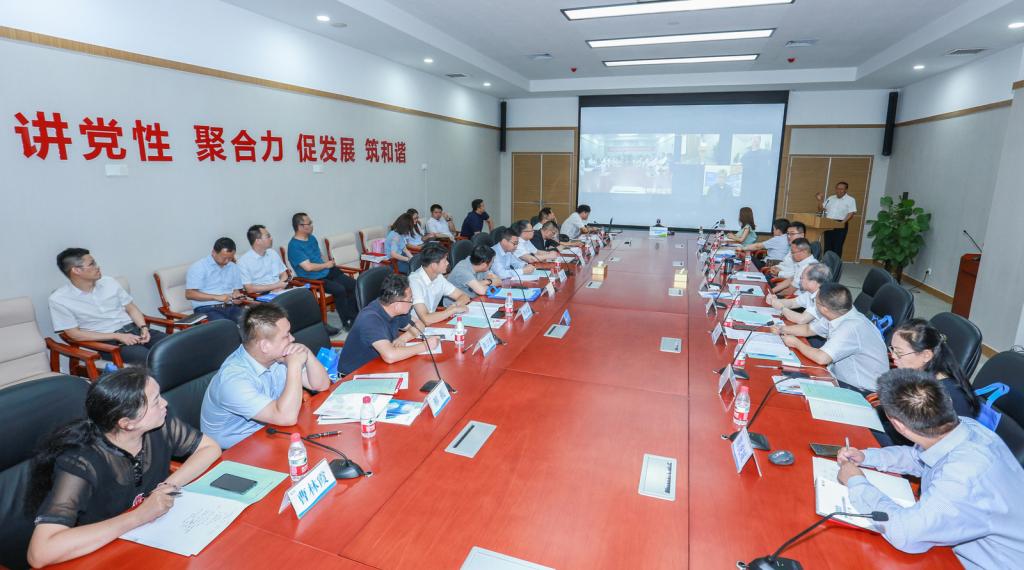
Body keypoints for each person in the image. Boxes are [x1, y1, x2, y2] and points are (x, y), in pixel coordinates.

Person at [25, 368, 221, 567]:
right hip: (104, 552)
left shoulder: (159, 425)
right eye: (155, 401)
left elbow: (209, 448)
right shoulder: (80, 462)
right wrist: (140, 516)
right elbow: (40, 554)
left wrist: (168, 485)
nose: (165, 403)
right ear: (127, 423)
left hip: (152, 541)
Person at [837, 369, 1024, 569]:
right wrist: (867, 457)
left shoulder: (965, 476)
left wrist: (857, 482)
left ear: (898, 425)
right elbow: (916, 457)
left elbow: (905, 533)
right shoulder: (965, 427)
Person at [200, 304, 331, 449]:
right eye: (286, 335)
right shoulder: (233, 380)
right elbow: (286, 417)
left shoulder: (275, 357)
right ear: (265, 346)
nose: (292, 338)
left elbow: (321, 385)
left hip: (271, 430)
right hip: (236, 450)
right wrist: (294, 366)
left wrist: (306, 353)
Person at [49, 248, 168, 366]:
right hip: (110, 343)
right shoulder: (60, 299)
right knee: (155, 359)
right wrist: (117, 336)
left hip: (136, 330)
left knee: (175, 346)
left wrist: (143, 327)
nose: (98, 267)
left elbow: (131, 308)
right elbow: (74, 334)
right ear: (76, 270)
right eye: (92, 264)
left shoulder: (109, 282)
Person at [781, 282, 889, 392]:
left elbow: (822, 358)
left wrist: (796, 343)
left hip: (860, 390)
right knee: (788, 375)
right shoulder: (839, 312)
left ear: (824, 309)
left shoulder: (851, 327)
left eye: (815, 302)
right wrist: (781, 329)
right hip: (837, 375)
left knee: (790, 385)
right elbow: (808, 329)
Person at [338, 274, 438, 375]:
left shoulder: (392, 307)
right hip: (354, 375)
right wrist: (425, 346)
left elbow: (419, 324)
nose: (412, 303)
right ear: (397, 305)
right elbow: (390, 356)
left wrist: (403, 339)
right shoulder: (370, 319)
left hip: (378, 364)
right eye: (410, 300)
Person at [286, 212, 357, 332]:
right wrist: (326, 265)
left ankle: (354, 316)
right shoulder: (294, 246)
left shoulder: (312, 238)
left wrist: (328, 263)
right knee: (339, 289)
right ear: (300, 226)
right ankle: (347, 321)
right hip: (313, 278)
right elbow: (308, 267)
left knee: (354, 285)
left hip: (327, 271)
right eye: (309, 223)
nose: (311, 225)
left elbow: (320, 255)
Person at [185, 237, 246, 322]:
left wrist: (237, 297)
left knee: (255, 321)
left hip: (231, 307)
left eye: (230, 258)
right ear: (213, 252)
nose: (227, 261)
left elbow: (236, 291)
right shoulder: (199, 267)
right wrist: (216, 297)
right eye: (224, 258)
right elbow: (189, 294)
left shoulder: (233, 267)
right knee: (225, 326)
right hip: (207, 309)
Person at [409, 243, 470, 325]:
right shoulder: (414, 281)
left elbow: (464, 296)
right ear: (433, 265)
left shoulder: (439, 277)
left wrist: (455, 305)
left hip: (434, 322)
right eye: (445, 261)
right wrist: (453, 310)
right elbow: (426, 319)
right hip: (415, 327)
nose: (447, 263)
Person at [767, 262, 831, 333]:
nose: (800, 281)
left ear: (813, 282)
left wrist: (782, 308)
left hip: (815, 336)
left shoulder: (823, 298)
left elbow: (801, 319)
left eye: (802, 278)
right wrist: (774, 300)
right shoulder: (810, 292)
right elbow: (792, 303)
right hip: (807, 329)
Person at [238, 224, 290, 296]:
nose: (271, 238)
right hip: (262, 295)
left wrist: (280, 287)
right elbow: (249, 288)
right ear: (258, 241)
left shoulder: (272, 253)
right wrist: (276, 286)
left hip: (281, 290)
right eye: (268, 236)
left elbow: (284, 274)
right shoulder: (243, 261)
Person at [817, 181, 857, 257]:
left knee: (837, 245)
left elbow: (851, 213)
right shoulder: (831, 198)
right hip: (828, 223)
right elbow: (821, 209)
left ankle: (835, 262)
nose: (839, 190)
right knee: (828, 244)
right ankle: (827, 261)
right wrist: (820, 200)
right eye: (837, 188)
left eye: (841, 189)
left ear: (846, 190)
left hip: (841, 223)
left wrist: (842, 223)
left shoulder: (850, 200)